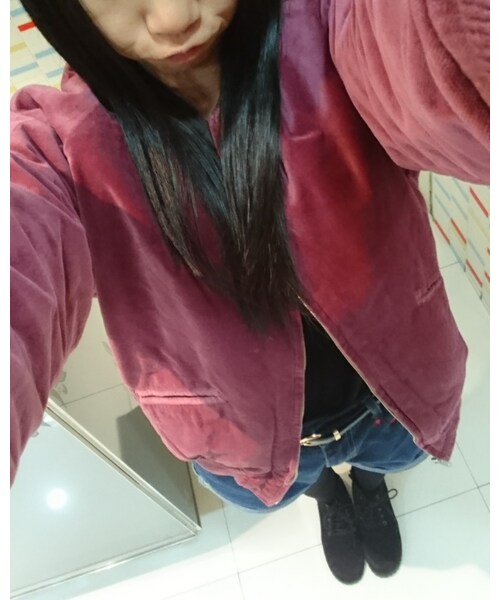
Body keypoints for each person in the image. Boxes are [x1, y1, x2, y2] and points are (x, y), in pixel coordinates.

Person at [10, 0, 489, 586]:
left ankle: (368, 489)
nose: (173, 19)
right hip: (250, 446)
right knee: (301, 481)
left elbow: (441, 61)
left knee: (382, 462)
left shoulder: (329, 28)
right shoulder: (62, 145)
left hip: (393, 403)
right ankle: (329, 499)